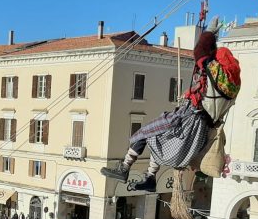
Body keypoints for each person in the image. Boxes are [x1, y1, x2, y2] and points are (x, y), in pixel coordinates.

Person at [101, 24, 241, 190]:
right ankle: (150, 178)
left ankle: (124, 169)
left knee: (144, 132)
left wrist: (209, 34)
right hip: (200, 129)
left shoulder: (217, 71)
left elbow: (201, 52)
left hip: (189, 120)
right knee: (158, 137)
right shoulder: (233, 86)